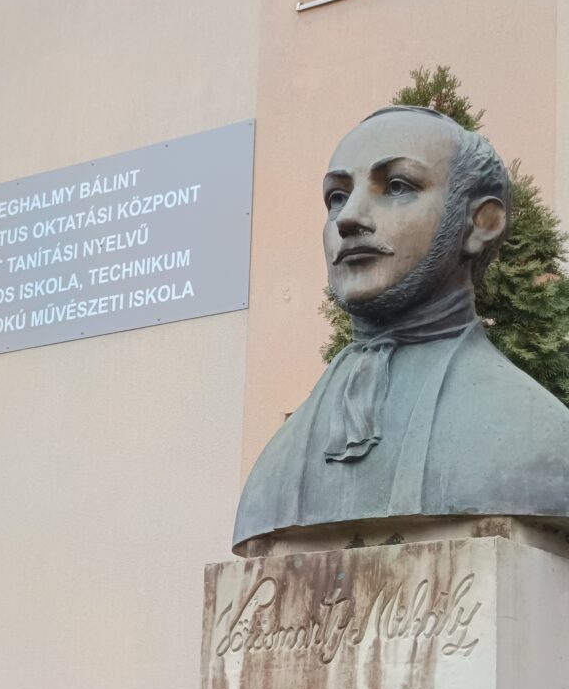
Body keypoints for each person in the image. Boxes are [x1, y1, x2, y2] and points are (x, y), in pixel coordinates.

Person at [233, 106, 569, 551]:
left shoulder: (540, 440)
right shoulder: (274, 469)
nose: (348, 218)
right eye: (337, 196)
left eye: (397, 187)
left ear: (480, 223)